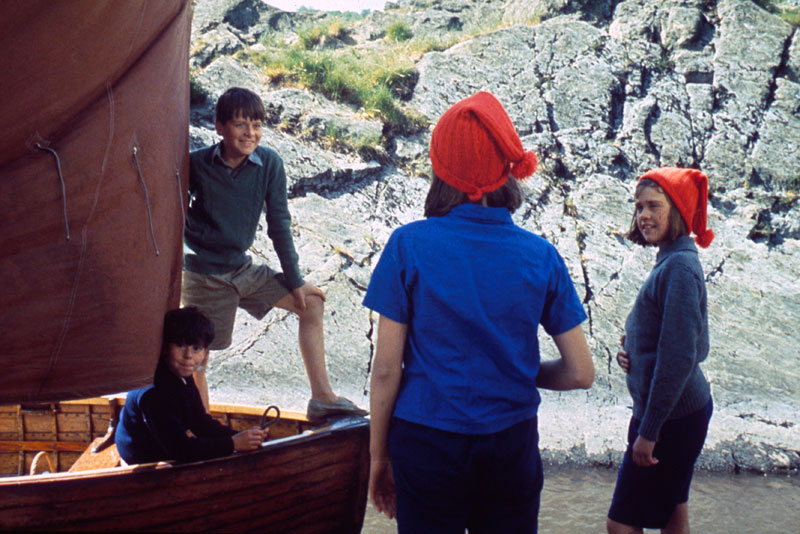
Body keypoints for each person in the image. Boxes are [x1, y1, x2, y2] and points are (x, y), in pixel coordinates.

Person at [363, 91, 595, 533]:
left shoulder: (408, 246)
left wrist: (379, 458)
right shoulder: (541, 256)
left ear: (442, 170)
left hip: (425, 441)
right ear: (505, 171)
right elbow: (581, 373)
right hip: (510, 445)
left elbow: (387, 370)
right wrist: (521, 369)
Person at [181, 87, 365, 421]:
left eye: (256, 125)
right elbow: (169, 212)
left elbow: (279, 224)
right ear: (220, 127)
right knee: (196, 356)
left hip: (242, 269)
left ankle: (322, 399)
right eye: (240, 125)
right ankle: (200, 425)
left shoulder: (268, 163)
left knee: (312, 303)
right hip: (203, 275)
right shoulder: (195, 165)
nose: (249, 134)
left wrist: (296, 282)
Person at [607, 167, 715, 534]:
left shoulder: (680, 268)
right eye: (638, 207)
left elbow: (684, 354)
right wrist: (635, 353)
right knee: (673, 517)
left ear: (679, 211)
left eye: (654, 206)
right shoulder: (672, 260)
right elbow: (693, 343)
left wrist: (648, 431)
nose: (643, 216)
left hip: (670, 420)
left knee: (620, 525)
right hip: (677, 411)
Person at [115, 307, 266, 464]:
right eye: (180, 345)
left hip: (165, 442)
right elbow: (181, 449)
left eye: (196, 348)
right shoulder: (153, 392)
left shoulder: (182, 374)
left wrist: (243, 436)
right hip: (141, 455)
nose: (188, 356)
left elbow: (200, 423)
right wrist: (233, 443)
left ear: (205, 353)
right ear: (165, 348)